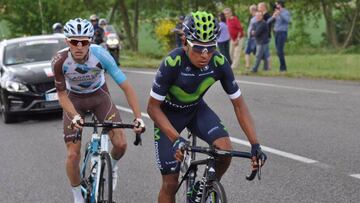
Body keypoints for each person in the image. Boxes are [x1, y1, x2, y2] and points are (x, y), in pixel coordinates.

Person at [147, 11, 266, 203]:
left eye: (210, 48)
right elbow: (152, 108)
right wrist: (175, 139)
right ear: (185, 42)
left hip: (195, 110)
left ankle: (203, 186)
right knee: (170, 184)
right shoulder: (172, 63)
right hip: (169, 118)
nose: (205, 55)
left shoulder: (219, 62)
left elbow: (239, 105)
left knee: (224, 151)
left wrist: (255, 144)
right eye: (198, 48)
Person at [52, 18, 145, 203]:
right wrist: (76, 116)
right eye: (74, 42)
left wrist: (138, 117)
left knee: (120, 144)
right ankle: (78, 197)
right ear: (66, 41)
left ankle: (112, 165)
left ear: (91, 41)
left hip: (99, 96)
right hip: (74, 99)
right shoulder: (59, 61)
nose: (79, 46)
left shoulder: (101, 55)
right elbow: (61, 95)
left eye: (84, 42)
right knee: (72, 154)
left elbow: (126, 86)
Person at [268, 0, 291, 72]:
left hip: (282, 32)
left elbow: (288, 21)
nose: (275, 6)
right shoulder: (276, 12)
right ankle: (282, 67)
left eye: (276, 4)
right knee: (278, 51)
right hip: (276, 33)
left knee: (280, 51)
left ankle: (283, 68)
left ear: (280, 5)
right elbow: (268, 22)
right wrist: (273, 16)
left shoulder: (286, 12)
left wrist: (280, 13)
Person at [258, 2, 272, 69]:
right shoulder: (262, 15)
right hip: (261, 37)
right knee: (263, 52)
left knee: (266, 52)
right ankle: (265, 67)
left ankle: (268, 67)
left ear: (264, 7)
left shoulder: (267, 16)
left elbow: (266, 26)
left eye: (259, 7)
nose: (258, 8)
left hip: (266, 36)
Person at [244, 4, 257, 69]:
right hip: (250, 37)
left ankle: (250, 65)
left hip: (252, 38)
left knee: (251, 52)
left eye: (250, 10)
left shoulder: (255, 18)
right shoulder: (253, 18)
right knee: (248, 52)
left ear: (252, 10)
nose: (250, 12)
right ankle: (247, 65)